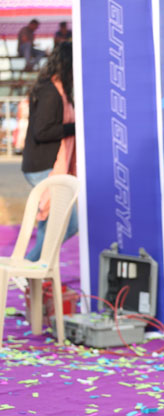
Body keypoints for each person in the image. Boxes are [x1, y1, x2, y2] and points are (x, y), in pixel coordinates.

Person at [21, 42, 78, 262]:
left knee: (51, 225)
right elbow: (42, 131)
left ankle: (35, 271)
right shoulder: (50, 92)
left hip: (49, 165)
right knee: (70, 223)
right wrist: (76, 127)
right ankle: (30, 266)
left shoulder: (59, 90)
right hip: (44, 166)